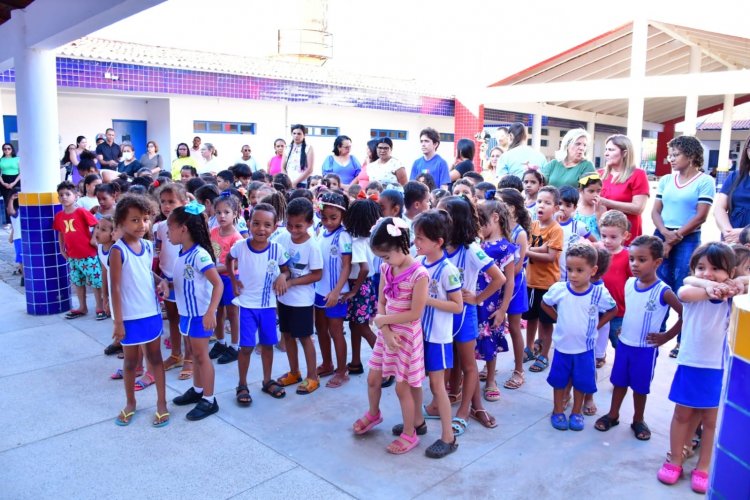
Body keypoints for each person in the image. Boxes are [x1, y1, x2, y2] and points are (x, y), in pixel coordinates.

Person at [653, 243, 746, 494]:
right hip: (691, 364)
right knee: (682, 415)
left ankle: (703, 467)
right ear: (693, 269)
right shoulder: (690, 291)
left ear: (731, 271)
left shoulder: (733, 297)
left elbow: (745, 283)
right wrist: (711, 286)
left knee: (710, 421)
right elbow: (685, 291)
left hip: (717, 369)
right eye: (701, 267)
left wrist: (736, 284)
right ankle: (675, 460)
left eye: (716, 268)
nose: (707, 273)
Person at [352, 217, 429, 456]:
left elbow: (415, 313)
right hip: (387, 334)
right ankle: (374, 413)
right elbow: (381, 302)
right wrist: (384, 330)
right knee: (373, 379)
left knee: (402, 389)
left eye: (386, 256)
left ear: (402, 247)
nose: (383, 262)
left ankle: (410, 432)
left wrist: (383, 322)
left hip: (407, 337)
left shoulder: (419, 274)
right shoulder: (387, 268)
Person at [595, 236, 683, 441]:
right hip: (625, 344)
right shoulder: (629, 283)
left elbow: (685, 315)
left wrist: (667, 336)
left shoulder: (664, 291)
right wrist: (624, 328)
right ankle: (613, 414)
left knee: (640, 387)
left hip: (645, 349)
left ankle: (638, 419)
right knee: (619, 382)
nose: (635, 264)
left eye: (642, 260)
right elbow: (632, 309)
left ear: (657, 262)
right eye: (632, 259)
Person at [433, 196, 504, 433]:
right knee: (445, 360)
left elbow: (499, 278)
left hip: (465, 313)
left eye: (442, 213)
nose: (437, 216)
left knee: (468, 364)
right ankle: (446, 399)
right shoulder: (439, 245)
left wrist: (477, 297)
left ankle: (465, 410)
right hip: (443, 312)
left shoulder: (470, 249)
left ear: (456, 220)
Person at [541, 243, 617, 431]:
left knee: (581, 382)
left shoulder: (599, 293)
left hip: (585, 349)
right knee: (559, 381)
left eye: (580, 270)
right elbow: (545, 304)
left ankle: (577, 412)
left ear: (593, 270)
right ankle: (558, 411)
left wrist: (597, 326)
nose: (573, 275)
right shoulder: (560, 289)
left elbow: (613, 310)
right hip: (562, 348)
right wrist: (558, 319)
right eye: (570, 269)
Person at [652, 135, 715, 357]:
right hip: (662, 234)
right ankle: (655, 332)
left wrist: (675, 236)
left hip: (687, 239)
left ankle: (681, 340)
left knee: (682, 288)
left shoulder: (705, 181)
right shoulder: (666, 180)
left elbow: (701, 216)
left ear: (690, 156)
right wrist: (665, 235)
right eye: (670, 154)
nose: (671, 159)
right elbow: (655, 211)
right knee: (658, 284)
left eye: (676, 154)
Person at [108, 194, 168, 427]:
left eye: (145, 219)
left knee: (156, 358)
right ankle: (130, 402)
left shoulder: (146, 245)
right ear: (121, 223)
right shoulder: (117, 250)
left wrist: (160, 280)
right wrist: (118, 322)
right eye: (134, 220)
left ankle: (161, 403)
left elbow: (144, 273)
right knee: (131, 362)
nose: (142, 225)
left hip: (151, 314)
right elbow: (114, 287)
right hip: (129, 318)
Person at [161, 202, 223, 420]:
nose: (167, 233)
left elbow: (218, 284)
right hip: (187, 314)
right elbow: (181, 281)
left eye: (170, 228)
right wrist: (165, 285)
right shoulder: (182, 252)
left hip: (199, 315)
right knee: (194, 354)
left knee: (201, 356)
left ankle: (209, 399)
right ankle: (198, 390)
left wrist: (210, 312)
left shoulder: (199, 255)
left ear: (183, 229)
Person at [227, 203, 291, 404]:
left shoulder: (277, 249)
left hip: (268, 307)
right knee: (245, 347)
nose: (261, 229)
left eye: (267, 225)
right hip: (247, 306)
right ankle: (242, 384)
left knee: (267, 345)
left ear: (274, 227)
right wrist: (233, 279)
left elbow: (286, 269)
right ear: (249, 224)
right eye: (256, 223)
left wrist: (283, 277)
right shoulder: (241, 246)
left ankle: (266, 380)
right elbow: (229, 259)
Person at [411, 210, 462, 458]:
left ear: (438, 242)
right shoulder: (419, 263)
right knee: (414, 379)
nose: (415, 243)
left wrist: (427, 300)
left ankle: (448, 437)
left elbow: (457, 305)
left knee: (437, 385)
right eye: (415, 237)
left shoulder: (448, 269)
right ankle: (417, 422)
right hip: (417, 333)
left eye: (421, 238)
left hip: (438, 337)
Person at [273, 198, 323, 394]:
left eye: (299, 226)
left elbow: (317, 274)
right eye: (289, 225)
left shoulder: (312, 246)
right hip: (283, 297)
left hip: (302, 300)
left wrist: (291, 282)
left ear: (310, 223)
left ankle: (313, 377)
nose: (293, 229)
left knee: (304, 337)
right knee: (286, 335)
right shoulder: (283, 238)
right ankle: (294, 372)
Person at [476, 201, 516, 403]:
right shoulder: (476, 244)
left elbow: (509, 283)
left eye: (482, 222)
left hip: (492, 305)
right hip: (472, 302)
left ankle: (491, 380)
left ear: (495, 218)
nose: (479, 227)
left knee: (490, 340)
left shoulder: (505, 248)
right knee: (470, 341)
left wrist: (503, 310)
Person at [314, 192, 352, 388]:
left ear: (343, 216)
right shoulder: (321, 231)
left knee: (336, 331)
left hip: (335, 291)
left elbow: (346, 266)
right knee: (320, 328)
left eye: (333, 218)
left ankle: (341, 370)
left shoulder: (343, 235)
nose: (328, 221)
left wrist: (337, 291)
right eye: (324, 217)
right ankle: (327, 363)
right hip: (319, 290)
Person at [524, 186, 564, 373]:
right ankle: (529, 348)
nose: (541, 205)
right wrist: (538, 249)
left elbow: (550, 257)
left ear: (556, 208)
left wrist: (528, 251)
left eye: (547, 203)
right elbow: (528, 248)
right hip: (530, 282)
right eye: (539, 201)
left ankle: (544, 354)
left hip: (547, 285)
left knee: (545, 322)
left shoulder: (556, 230)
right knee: (530, 318)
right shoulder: (532, 226)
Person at [154, 184, 191, 377]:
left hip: (186, 280)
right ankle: (176, 354)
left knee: (187, 321)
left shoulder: (190, 226)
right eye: (163, 202)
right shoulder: (160, 227)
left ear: (184, 203)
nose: (166, 206)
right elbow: (160, 250)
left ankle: (190, 359)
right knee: (173, 319)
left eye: (172, 201)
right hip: (167, 279)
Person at [53, 181, 104, 320]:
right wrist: (61, 249)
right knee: (78, 282)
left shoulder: (81, 212)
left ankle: (100, 306)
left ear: (75, 196)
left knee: (95, 282)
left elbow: (97, 224)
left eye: (67, 194)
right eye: (61, 195)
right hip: (72, 256)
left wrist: (94, 239)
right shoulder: (59, 216)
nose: (64, 197)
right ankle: (82, 307)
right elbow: (61, 233)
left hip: (88, 255)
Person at [342, 200, 381, 379]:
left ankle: (386, 364)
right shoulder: (369, 239)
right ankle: (355, 362)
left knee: (362, 327)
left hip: (359, 285)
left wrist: (352, 291)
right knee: (355, 325)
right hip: (368, 285)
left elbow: (363, 268)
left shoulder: (357, 242)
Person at [497, 188, 530, 389]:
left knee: (514, 327)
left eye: (501, 203)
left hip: (514, 285)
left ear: (512, 208)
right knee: (494, 326)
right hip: (496, 283)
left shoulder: (520, 233)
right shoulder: (496, 228)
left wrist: (498, 275)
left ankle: (519, 369)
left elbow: (518, 267)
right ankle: (490, 363)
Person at [208, 193, 243, 364]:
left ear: (235, 213)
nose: (222, 216)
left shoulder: (237, 238)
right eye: (218, 212)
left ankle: (235, 346)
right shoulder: (213, 232)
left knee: (232, 313)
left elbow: (235, 264)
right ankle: (221, 342)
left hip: (230, 279)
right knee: (218, 311)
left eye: (226, 212)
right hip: (216, 280)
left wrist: (214, 269)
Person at [598, 134, 650, 246]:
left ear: (625, 153)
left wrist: (605, 202)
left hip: (627, 235)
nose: (606, 153)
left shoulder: (638, 174)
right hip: (603, 235)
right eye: (606, 149)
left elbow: (638, 208)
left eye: (611, 150)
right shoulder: (599, 175)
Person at [599, 210, 633, 363]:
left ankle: (622, 369)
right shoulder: (598, 253)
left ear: (625, 236)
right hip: (599, 308)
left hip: (620, 310)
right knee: (597, 339)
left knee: (619, 343)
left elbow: (633, 283)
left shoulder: (628, 256)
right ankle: (600, 356)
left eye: (613, 237)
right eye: (603, 236)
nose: (607, 241)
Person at [715, 134, 750, 243]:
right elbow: (719, 208)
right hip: (731, 241)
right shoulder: (735, 176)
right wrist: (728, 233)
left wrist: (744, 234)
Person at [556, 186, 592, 282]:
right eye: (559, 204)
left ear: (574, 208)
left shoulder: (579, 226)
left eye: (568, 205)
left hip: (568, 277)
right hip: (549, 274)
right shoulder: (549, 224)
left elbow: (595, 242)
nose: (562, 208)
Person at [575, 173, 604, 240]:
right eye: (591, 191)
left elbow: (604, 232)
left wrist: (598, 212)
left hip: (597, 248)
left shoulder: (602, 209)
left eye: (598, 191)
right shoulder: (575, 209)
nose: (595, 195)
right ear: (581, 191)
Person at [1, 143, 20, 217]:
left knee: (16, 199)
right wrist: (3, 183)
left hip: (15, 180)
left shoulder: (17, 159)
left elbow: (21, 172)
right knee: (7, 200)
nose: (7, 150)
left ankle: (17, 218)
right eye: (5, 149)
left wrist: (14, 183)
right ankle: (8, 221)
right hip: (4, 180)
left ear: (12, 149)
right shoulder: (1, 160)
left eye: (9, 148)